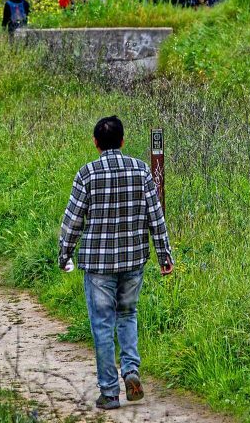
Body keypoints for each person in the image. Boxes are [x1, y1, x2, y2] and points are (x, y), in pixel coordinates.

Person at [59, 116, 173, 411]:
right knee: (127, 314)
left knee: (102, 324)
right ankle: (131, 370)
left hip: (98, 265)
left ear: (95, 143)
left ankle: (110, 393)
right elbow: (156, 216)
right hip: (133, 259)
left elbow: (73, 221)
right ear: (122, 141)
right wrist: (164, 255)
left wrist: (65, 253)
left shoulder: (87, 174)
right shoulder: (141, 170)